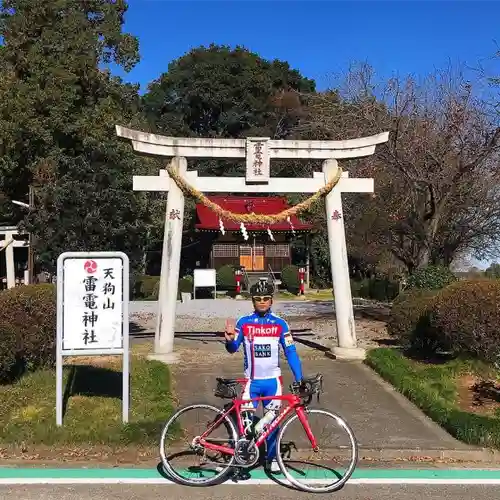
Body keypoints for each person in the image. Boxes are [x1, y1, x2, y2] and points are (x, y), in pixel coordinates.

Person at [224, 280, 303, 473]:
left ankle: (272, 457)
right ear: (252, 301)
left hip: (273, 382)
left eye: (265, 299)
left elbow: (291, 352)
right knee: (247, 424)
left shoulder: (280, 324)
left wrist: (299, 378)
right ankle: (244, 455)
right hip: (252, 382)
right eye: (257, 299)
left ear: (271, 301)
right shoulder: (244, 322)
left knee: (272, 423)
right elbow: (233, 349)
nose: (261, 302)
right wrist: (228, 340)